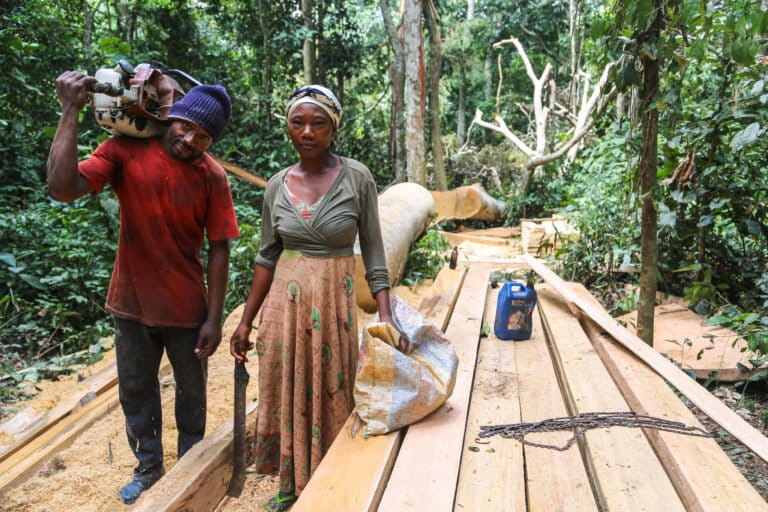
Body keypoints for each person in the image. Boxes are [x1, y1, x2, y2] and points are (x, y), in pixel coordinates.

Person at [47, 71, 241, 504]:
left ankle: (190, 467)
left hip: (187, 310)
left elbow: (220, 249)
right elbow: (62, 189)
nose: (190, 140)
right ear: (172, 116)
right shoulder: (125, 150)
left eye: (204, 137)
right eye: (186, 126)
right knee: (136, 389)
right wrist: (69, 111)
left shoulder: (212, 177)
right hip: (131, 303)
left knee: (192, 395)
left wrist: (214, 320)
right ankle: (149, 468)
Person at [229, 85, 404, 511]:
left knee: (333, 386)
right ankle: (289, 484)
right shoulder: (276, 186)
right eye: (298, 122)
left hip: (334, 304)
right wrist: (245, 321)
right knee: (287, 387)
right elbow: (266, 256)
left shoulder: (357, 178)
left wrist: (387, 314)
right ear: (288, 127)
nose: (307, 131)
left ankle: (333, 480)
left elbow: (375, 251)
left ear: (334, 128)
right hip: (283, 307)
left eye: (318, 123)